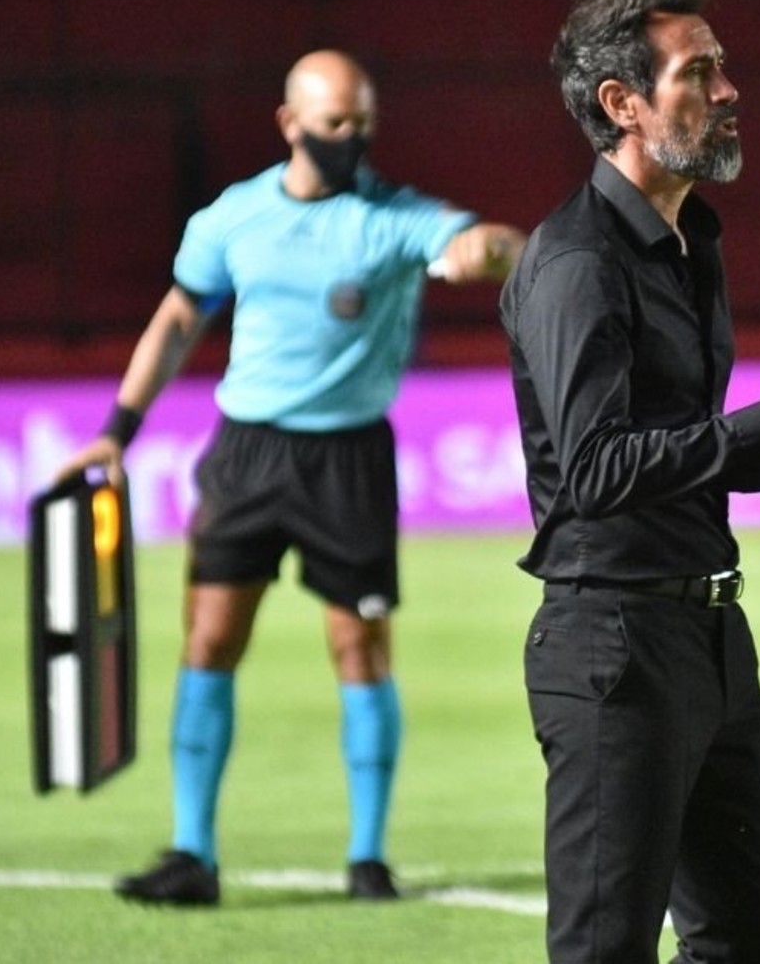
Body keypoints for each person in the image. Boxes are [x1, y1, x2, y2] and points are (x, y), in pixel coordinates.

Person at [53, 49, 526, 907]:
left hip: (348, 459)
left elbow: (494, 244)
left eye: (363, 123)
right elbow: (178, 318)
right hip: (248, 454)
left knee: (359, 648)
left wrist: (484, 249)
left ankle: (367, 857)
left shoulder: (392, 218)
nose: (351, 137)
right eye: (335, 122)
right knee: (209, 641)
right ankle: (192, 852)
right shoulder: (232, 219)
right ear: (290, 123)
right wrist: (117, 430)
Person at [501, 0, 760, 964]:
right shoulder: (576, 262)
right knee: (603, 949)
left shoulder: (688, 238)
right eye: (698, 73)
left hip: (709, 633)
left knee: (746, 948)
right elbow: (595, 470)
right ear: (621, 103)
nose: (728, 90)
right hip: (612, 646)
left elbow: (679, 444)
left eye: (721, 66)